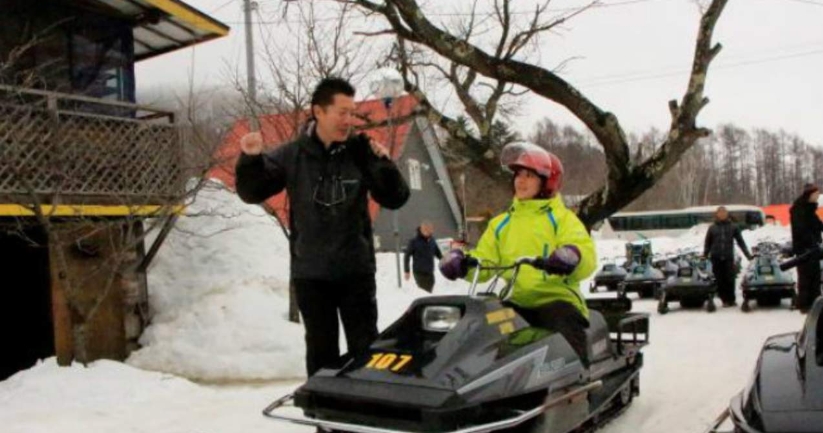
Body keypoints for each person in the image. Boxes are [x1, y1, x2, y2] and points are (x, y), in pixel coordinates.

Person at [234, 77, 410, 376]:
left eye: (352, 113)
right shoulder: (293, 155)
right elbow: (252, 192)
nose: (349, 120)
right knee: (320, 354)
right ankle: (326, 420)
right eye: (342, 112)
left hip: (355, 273)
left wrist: (384, 165)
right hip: (312, 276)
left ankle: (362, 418)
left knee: (365, 351)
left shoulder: (361, 151)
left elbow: (396, 198)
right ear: (319, 111)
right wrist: (250, 160)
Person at [439, 142, 596, 362]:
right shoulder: (501, 224)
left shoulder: (562, 219)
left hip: (555, 300)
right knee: (483, 334)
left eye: (529, 176)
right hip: (516, 301)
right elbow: (484, 261)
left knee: (564, 330)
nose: (520, 181)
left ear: (546, 182)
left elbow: (585, 254)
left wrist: (570, 256)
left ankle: (580, 385)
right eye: (518, 175)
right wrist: (461, 262)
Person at [703, 206, 753, 307]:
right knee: (719, 279)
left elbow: (740, 242)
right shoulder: (712, 228)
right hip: (716, 257)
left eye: (724, 213)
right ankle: (724, 299)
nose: (722, 214)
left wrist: (748, 255)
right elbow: (707, 243)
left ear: (727, 214)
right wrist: (705, 254)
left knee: (730, 278)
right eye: (720, 213)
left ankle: (731, 299)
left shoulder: (733, 227)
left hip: (728, 256)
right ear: (716, 214)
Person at [790, 183, 823, 313]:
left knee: (815, 276)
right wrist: (811, 243)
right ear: (809, 195)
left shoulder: (810, 209)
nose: (817, 196)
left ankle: (815, 303)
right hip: (804, 249)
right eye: (816, 194)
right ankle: (804, 304)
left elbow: (817, 224)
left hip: (813, 249)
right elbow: (801, 229)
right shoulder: (799, 210)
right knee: (805, 277)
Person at [403, 221, 442, 293]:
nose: (430, 232)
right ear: (422, 230)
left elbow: (437, 252)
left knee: (430, 289)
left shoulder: (432, 240)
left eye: (431, 230)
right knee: (424, 291)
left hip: (430, 271)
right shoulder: (414, 241)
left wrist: (444, 260)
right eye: (428, 230)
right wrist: (407, 271)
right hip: (419, 272)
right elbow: (407, 256)